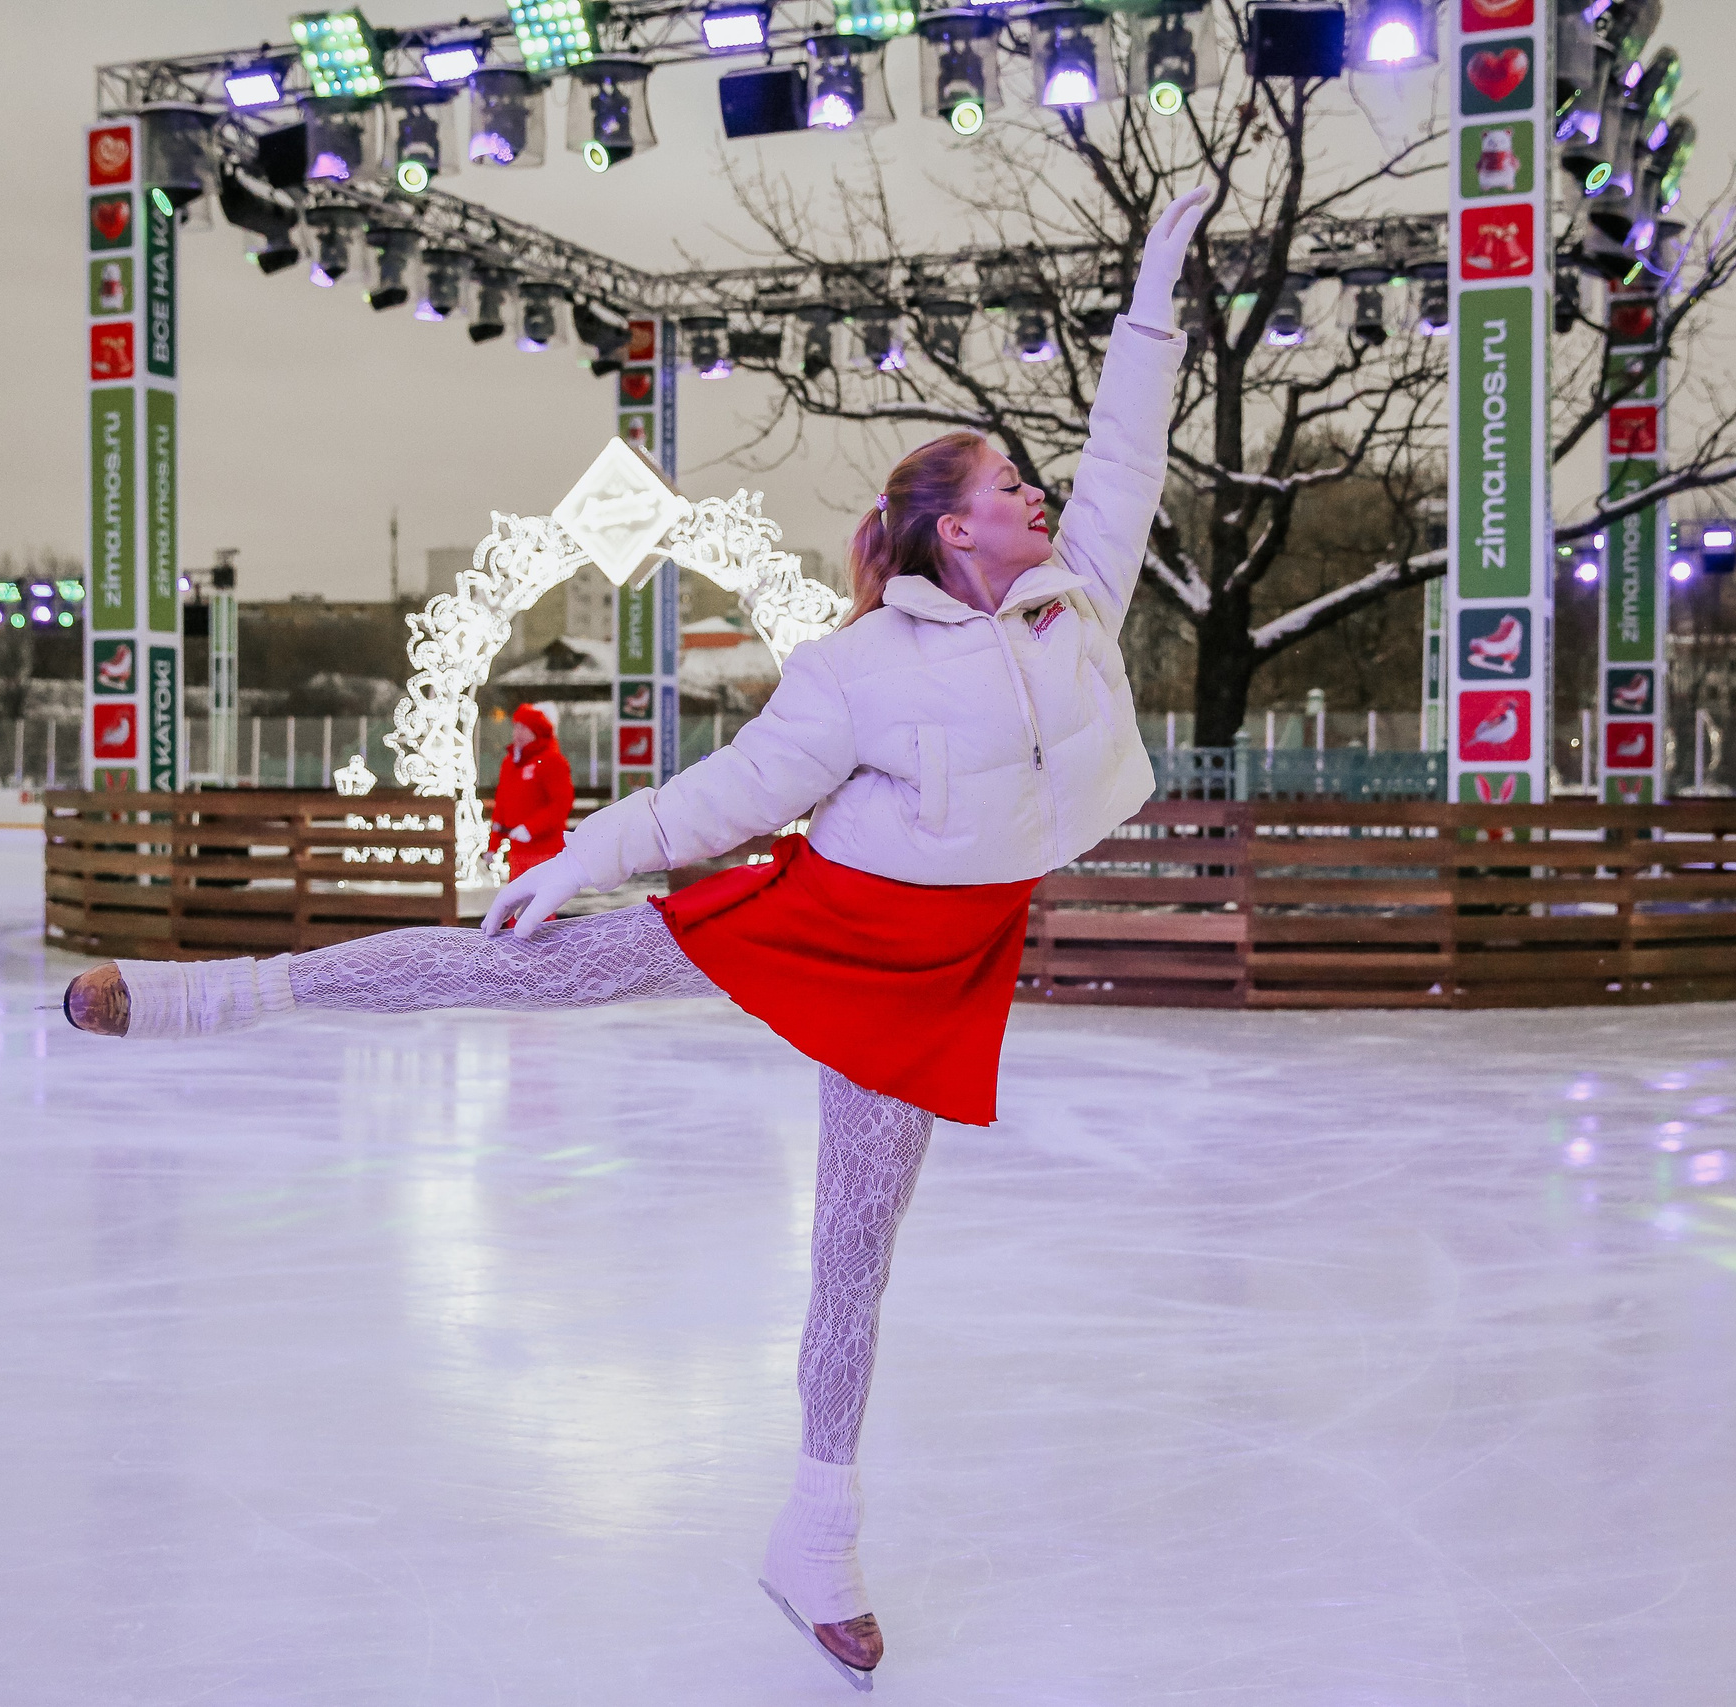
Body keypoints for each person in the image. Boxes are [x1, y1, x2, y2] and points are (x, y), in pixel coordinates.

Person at [59, 185, 1211, 1688]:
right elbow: (731, 790)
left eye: (1029, 484)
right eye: (1008, 486)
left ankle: (816, 1533)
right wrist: (587, 854)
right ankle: (217, 991)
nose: (1039, 499)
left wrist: (1155, 299)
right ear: (945, 524)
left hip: (940, 963)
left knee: (855, 1250)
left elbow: (1127, 456)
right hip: (817, 915)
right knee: (519, 967)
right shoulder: (862, 666)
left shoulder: (1081, 601)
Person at [489, 703, 574, 879]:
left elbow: (561, 803)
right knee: (518, 903)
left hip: (546, 851)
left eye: (523, 728)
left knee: (542, 903)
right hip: (518, 852)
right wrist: (493, 845)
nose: (517, 733)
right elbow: (502, 805)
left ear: (536, 732)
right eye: (516, 727)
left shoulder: (551, 761)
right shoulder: (511, 763)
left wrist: (530, 828)